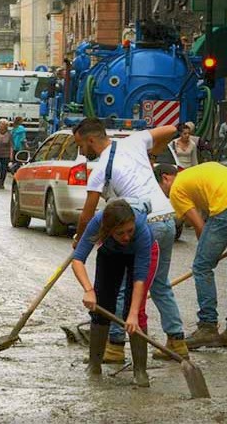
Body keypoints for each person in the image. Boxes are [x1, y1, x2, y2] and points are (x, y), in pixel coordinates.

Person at [72, 118, 188, 362]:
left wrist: (80, 238)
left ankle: (115, 345)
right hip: (167, 219)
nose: (81, 151)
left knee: (126, 284)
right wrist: (152, 151)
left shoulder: (101, 168)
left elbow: (88, 212)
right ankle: (176, 340)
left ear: (91, 140)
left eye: (81, 145)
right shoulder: (134, 142)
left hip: (143, 224)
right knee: (159, 284)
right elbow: (170, 129)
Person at [72, 200, 157, 387]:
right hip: (110, 254)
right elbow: (78, 259)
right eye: (120, 233)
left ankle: (140, 371)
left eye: (129, 231)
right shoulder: (98, 222)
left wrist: (133, 315)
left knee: (134, 313)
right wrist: (88, 290)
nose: (126, 237)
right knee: (101, 306)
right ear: (108, 230)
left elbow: (140, 278)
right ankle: (94, 364)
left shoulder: (142, 230)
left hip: (139, 257)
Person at [155, 162, 227, 349]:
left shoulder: (176, 189)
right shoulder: (193, 176)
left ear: (165, 178)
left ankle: (207, 326)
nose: (165, 195)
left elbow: (199, 225)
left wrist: (208, 254)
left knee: (201, 267)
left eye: (161, 189)